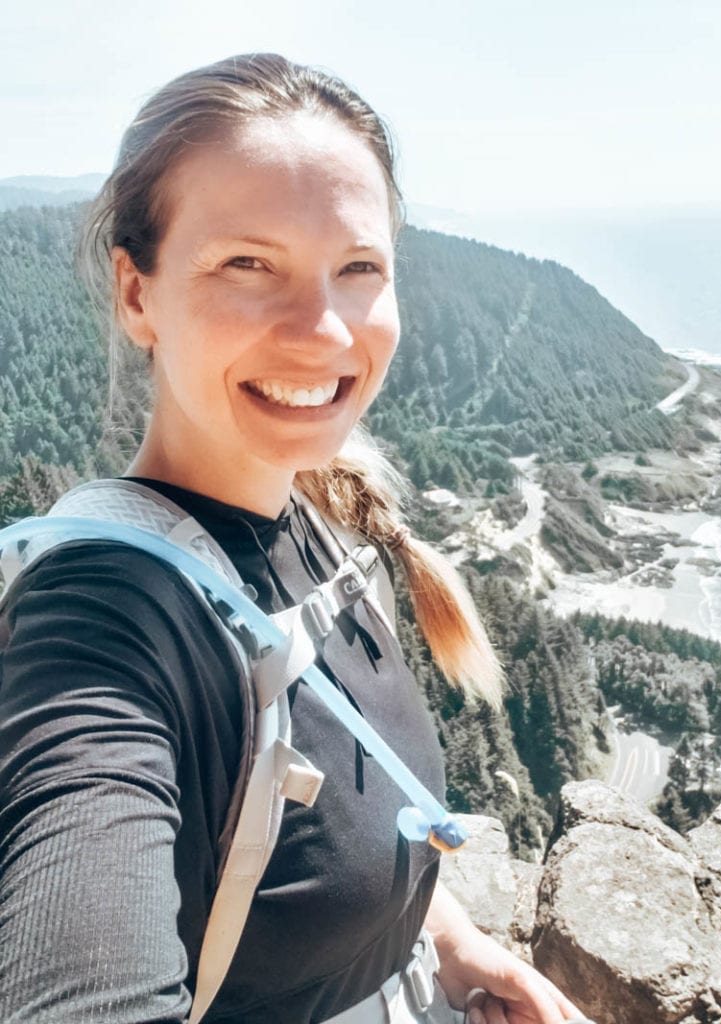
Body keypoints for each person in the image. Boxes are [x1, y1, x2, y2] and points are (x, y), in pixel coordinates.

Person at [0, 54, 587, 1024]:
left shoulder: (312, 524)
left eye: (358, 268)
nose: (321, 328)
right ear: (136, 292)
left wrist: (450, 945)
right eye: (248, 263)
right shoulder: (98, 625)